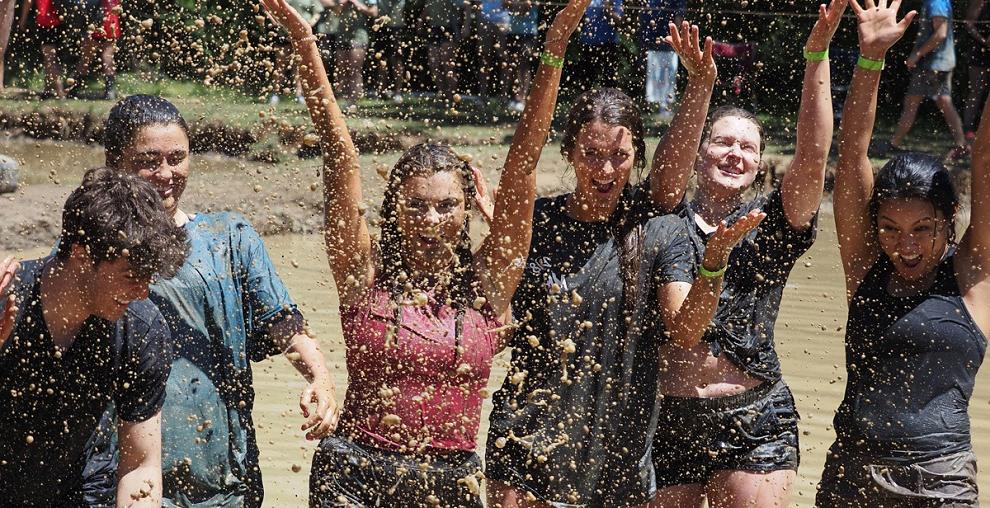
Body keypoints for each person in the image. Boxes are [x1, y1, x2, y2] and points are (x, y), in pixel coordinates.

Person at [260, 0, 590, 503]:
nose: (431, 222)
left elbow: (522, 165)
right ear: (393, 209)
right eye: (416, 206)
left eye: (446, 207)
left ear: (467, 210)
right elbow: (339, 153)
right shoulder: (362, 273)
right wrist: (307, 45)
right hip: (354, 473)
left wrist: (554, 50)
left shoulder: (488, 284)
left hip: (451, 479)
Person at [485, 24, 767, 507]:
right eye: (591, 155)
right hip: (525, 442)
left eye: (619, 155)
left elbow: (684, 331)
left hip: (617, 452)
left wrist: (713, 265)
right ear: (569, 153)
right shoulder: (537, 223)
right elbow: (489, 313)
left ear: (637, 156)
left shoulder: (658, 228)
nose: (605, 170)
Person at [81, 95, 338, 507]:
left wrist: (320, 378)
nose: (165, 173)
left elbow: (283, 324)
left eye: (177, 157)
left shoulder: (229, 237)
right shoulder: (92, 248)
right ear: (115, 163)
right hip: (120, 476)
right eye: (148, 160)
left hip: (224, 475)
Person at [644, 3, 843, 506]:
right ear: (700, 150)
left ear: (759, 166)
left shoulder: (771, 227)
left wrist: (817, 53)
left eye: (748, 148)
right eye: (723, 142)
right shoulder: (664, 221)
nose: (735, 153)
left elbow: (814, 154)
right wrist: (699, 84)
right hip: (667, 417)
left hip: (756, 419)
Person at [819, 0, 990, 504]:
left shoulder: (973, 274)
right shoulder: (867, 265)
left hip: (938, 482)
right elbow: (852, 153)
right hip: (849, 474)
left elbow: (985, 158)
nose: (906, 245)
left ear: (950, 220)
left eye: (923, 228)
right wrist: (870, 60)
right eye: (890, 229)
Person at [0, 167, 189, 505]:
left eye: (149, 278)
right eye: (131, 275)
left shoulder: (141, 329)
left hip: (83, 491)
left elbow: (140, 467)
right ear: (81, 255)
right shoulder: (6, 303)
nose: (143, 292)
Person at [880, 0, 968, 161]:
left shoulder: (936, 2)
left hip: (933, 63)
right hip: (938, 62)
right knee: (943, 102)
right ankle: (961, 145)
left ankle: (894, 143)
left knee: (913, 102)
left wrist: (917, 54)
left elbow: (941, 33)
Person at [638, 0, 685, 122]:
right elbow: (642, 16)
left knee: (668, 76)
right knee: (653, 75)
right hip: (651, 41)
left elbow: (679, 18)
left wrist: (676, 39)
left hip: (668, 43)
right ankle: (652, 107)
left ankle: (665, 107)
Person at [419, 0, 472, 101]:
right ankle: (443, 95)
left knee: (447, 65)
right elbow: (429, 6)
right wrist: (421, 20)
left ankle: (453, 97)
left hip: (449, 28)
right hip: (434, 28)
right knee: (434, 65)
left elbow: (467, 5)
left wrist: (466, 26)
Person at [70, 0, 120, 99]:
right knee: (107, 56)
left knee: (86, 58)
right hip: (111, 23)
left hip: (97, 23)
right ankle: (110, 91)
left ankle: (74, 89)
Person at [329, 0, 378, 101]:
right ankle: (341, 99)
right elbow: (335, 12)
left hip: (359, 36)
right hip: (342, 35)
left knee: (354, 70)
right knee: (341, 70)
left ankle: (353, 101)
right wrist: (341, 3)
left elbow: (374, 12)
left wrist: (356, 3)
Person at [575, 0, 623, 92]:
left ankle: (609, 105)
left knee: (609, 83)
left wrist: (607, 8)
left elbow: (619, 21)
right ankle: (585, 105)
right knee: (585, 82)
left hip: (608, 44)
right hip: (588, 43)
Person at [504, 0, 539, 112]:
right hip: (512, 31)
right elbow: (506, 5)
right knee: (513, 64)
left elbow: (525, 9)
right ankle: (514, 97)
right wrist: (517, 6)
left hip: (528, 32)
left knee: (524, 64)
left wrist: (515, 6)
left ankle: (522, 98)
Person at [370, 0, 407, 101]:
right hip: (381, 28)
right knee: (381, 61)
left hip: (396, 27)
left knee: (397, 61)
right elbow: (373, 7)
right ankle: (381, 91)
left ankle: (398, 92)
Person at [964, 0, 990, 140]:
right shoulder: (980, 1)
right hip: (980, 51)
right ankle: (968, 128)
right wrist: (984, 41)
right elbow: (969, 24)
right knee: (976, 91)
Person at [476, 0, 509, 99]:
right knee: (484, 59)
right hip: (484, 18)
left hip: (502, 20)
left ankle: (504, 96)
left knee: (504, 59)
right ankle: (482, 95)